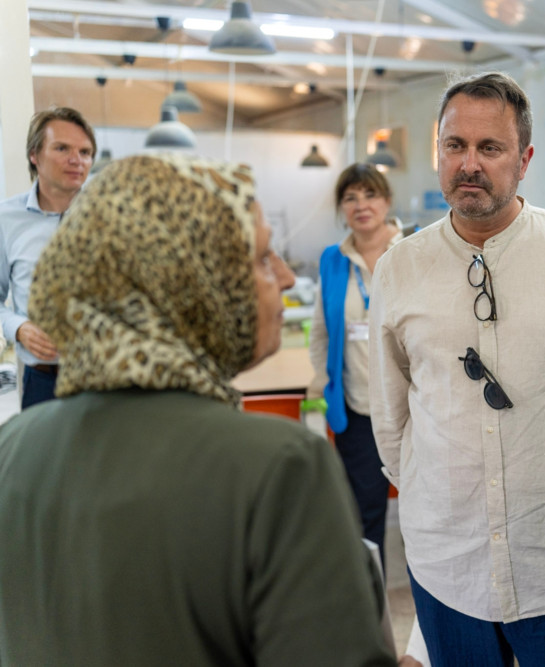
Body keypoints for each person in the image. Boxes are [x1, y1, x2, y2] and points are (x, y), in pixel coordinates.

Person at [0, 154, 398, 666]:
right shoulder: (279, 468)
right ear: (190, 285)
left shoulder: (14, 448)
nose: (280, 277)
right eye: (259, 259)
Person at [368, 71, 545, 666]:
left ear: (524, 159)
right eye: (454, 146)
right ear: (438, 150)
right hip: (448, 562)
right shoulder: (398, 269)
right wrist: (435, 494)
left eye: (490, 148)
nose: (469, 163)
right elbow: (391, 421)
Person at [309, 163, 402, 565]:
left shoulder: (414, 250)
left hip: (412, 408)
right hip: (357, 409)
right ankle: (371, 599)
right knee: (365, 514)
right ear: (341, 208)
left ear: (386, 201)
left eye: (370, 194)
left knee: (428, 508)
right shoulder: (333, 260)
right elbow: (320, 332)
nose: (361, 205)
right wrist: (319, 381)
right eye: (350, 198)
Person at [0, 106, 95, 409]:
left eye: (85, 151)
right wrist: (19, 328)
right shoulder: (6, 220)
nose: (76, 160)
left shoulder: (111, 217)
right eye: (62, 148)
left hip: (105, 382)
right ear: (34, 155)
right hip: (42, 383)